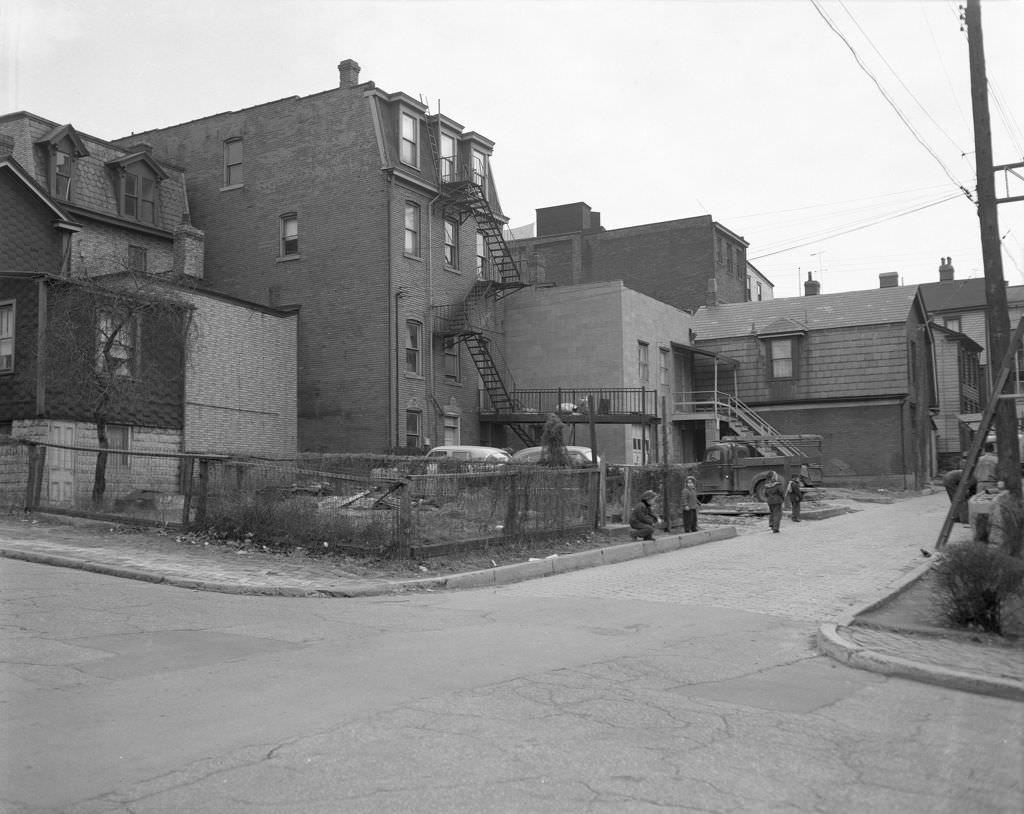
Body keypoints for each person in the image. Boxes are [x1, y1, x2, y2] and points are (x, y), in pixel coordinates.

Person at [942, 457, 974, 524]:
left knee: (954, 499)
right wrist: (967, 495)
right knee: (960, 499)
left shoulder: (966, 473)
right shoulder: (973, 478)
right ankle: (963, 518)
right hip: (950, 481)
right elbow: (966, 487)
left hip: (946, 478)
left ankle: (956, 517)